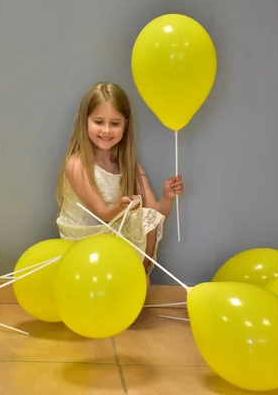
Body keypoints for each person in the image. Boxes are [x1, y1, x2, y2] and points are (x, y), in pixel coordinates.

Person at [55, 82, 184, 286]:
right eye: (99, 122)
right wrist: (120, 209)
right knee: (136, 219)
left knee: (144, 219)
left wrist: (168, 196)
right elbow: (102, 213)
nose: (106, 130)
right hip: (83, 239)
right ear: (85, 121)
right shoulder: (77, 164)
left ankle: (137, 280)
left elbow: (154, 218)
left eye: (114, 124)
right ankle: (128, 281)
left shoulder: (131, 169)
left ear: (125, 124)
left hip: (112, 238)